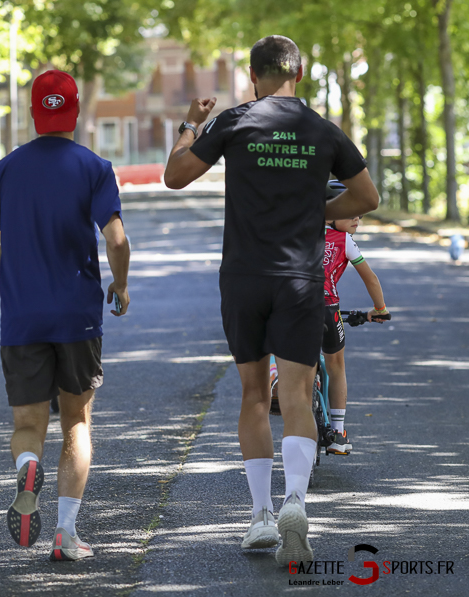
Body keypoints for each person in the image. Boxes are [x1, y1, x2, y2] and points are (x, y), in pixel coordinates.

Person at [163, 35, 379, 566]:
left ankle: (260, 516)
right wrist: (315, 211)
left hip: (244, 277)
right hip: (301, 280)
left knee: (255, 395)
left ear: (253, 76)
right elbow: (367, 197)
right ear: (299, 74)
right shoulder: (324, 130)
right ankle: (295, 504)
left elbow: (175, 176)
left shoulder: (234, 122)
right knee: (300, 395)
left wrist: (191, 124)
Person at [0, 70, 131, 561]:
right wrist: (120, 284)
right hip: (77, 315)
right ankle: (65, 533)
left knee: (27, 421)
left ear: (34, 112)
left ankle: (28, 463)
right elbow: (116, 239)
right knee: (76, 420)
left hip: (23, 318)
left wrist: (17, 267)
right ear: (74, 112)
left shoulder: (7, 169)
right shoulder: (95, 166)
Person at [322, 180, 390, 455]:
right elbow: (370, 278)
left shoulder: (297, 232)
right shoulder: (344, 241)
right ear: (329, 212)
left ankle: (277, 381)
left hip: (291, 306)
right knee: (336, 364)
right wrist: (380, 309)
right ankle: (337, 432)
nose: (357, 219)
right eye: (350, 211)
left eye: (359, 215)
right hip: (326, 307)